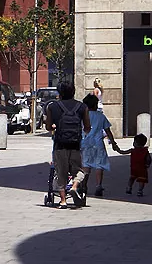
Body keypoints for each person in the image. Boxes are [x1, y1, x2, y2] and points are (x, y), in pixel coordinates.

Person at [44, 79, 89, 208]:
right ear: (73, 91)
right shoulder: (82, 107)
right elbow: (87, 127)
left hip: (60, 145)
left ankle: (63, 201)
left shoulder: (52, 106)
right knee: (80, 171)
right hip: (75, 145)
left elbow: (48, 127)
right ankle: (75, 186)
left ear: (60, 92)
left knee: (60, 173)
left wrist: (53, 127)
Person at [80, 92, 122, 197]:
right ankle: (98, 185)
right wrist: (113, 143)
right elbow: (108, 131)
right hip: (98, 143)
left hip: (85, 143)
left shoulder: (82, 116)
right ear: (95, 105)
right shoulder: (100, 116)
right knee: (99, 165)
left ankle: (84, 185)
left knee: (86, 165)